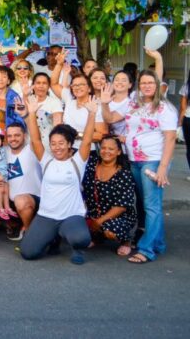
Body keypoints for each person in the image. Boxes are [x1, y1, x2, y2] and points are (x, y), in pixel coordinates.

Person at [100, 70, 177, 264]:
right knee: (144, 203)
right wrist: (104, 102)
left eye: (151, 82)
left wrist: (162, 167)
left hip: (153, 161)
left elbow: (170, 139)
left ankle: (147, 250)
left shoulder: (165, 108)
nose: (147, 86)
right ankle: (158, 243)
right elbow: (109, 119)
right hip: (134, 160)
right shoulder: (133, 103)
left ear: (157, 85)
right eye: (143, 83)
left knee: (151, 206)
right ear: (139, 85)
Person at [19, 95, 97, 264]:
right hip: (47, 216)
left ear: (69, 144)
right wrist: (31, 114)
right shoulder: (47, 161)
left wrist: (92, 114)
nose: (56, 147)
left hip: (71, 216)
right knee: (28, 253)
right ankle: (52, 239)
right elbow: (35, 140)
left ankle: (77, 249)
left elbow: (87, 141)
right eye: (53, 143)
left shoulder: (77, 162)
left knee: (80, 238)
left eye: (61, 143)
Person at [82, 135, 137, 257]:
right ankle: (97, 237)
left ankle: (126, 241)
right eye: (103, 148)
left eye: (111, 149)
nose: (106, 151)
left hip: (118, 217)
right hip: (93, 214)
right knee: (76, 230)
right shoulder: (91, 166)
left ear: (118, 152)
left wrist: (99, 221)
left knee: (110, 229)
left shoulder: (124, 174)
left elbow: (121, 207)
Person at [3, 122, 43, 241]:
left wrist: (27, 116)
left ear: (24, 135)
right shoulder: (3, 151)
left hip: (32, 200)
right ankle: (16, 224)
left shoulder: (31, 149)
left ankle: (29, 230)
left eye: (17, 135)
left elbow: (36, 138)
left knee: (21, 201)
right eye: (9, 136)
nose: (13, 139)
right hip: (11, 202)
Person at [21, 73, 63, 151]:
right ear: (33, 85)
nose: (41, 86)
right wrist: (25, 95)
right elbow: (24, 115)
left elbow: (58, 126)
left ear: (48, 86)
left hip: (48, 145)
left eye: (44, 83)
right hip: (28, 144)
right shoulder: (28, 99)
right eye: (38, 83)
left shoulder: (55, 102)